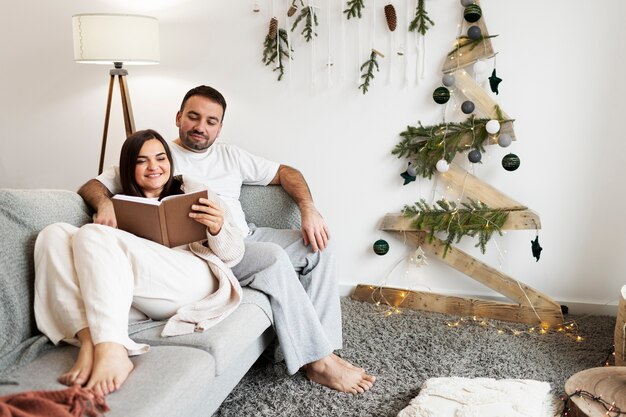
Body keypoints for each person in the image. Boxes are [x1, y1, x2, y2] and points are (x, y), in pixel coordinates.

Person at [77, 86, 376, 394]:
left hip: (245, 235)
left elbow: (287, 172)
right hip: (204, 249)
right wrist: (104, 203)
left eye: (211, 121)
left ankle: (322, 348)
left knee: (320, 247)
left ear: (220, 127)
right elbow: (92, 186)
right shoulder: (158, 156)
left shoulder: (231, 155)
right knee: (272, 257)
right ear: (178, 117)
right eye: (193, 117)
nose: (200, 127)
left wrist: (308, 209)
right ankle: (318, 362)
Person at [35, 129, 245, 396]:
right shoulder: (118, 199)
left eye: (160, 158)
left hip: (194, 278)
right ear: (127, 167)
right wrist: (106, 205)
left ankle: (113, 348)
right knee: (54, 234)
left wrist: (218, 228)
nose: (154, 167)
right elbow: (90, 189)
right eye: (141, 161)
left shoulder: (196, 191)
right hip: (144, 291)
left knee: (91, 233)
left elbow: (235, 255)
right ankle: (89, 339)